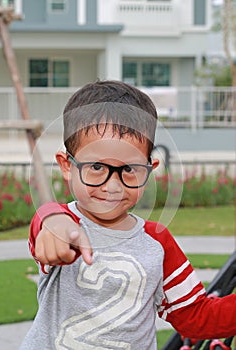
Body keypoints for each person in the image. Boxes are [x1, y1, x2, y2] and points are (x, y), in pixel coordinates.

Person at [20, 80, 236, 350]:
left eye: (130, 169)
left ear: (150, 168)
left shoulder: (158, 242)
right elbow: (47, 220)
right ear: (67, 166)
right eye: (96, 167)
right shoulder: (63, 223)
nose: (113, 186)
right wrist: (54, 224)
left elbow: (196, 316)